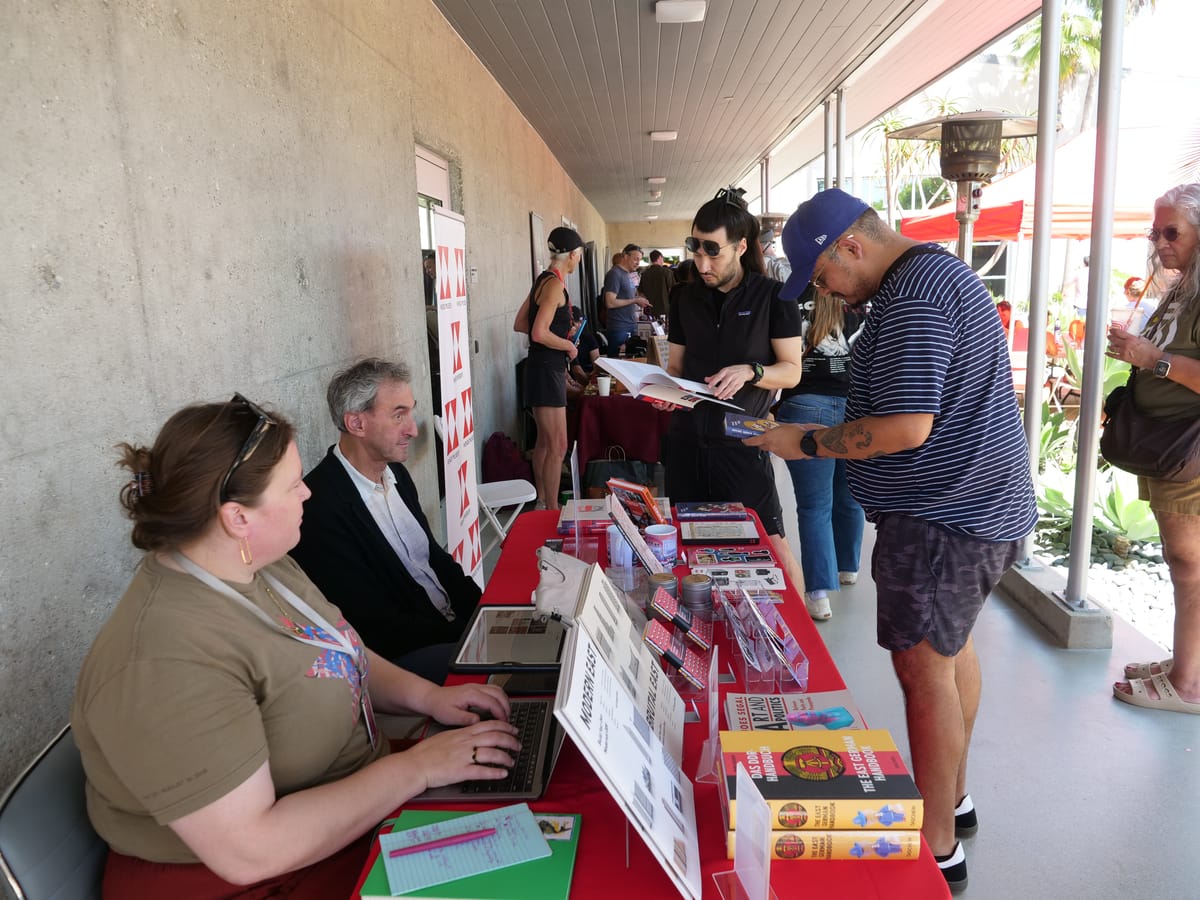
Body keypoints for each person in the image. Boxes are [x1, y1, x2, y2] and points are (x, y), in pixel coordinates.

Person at [71, 395, 520, 898]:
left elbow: (336, 649)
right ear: (237, 517)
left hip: (353, 813)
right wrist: (418, 767)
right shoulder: (165, 659)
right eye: (292, 484)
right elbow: (251, 850)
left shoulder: (260, 562)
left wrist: (427, 698)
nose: (308, 492)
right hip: (265, 877)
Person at [747, 188, 1037, 893]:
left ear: (850, 246)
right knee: (951, 648)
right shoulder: (934, 276)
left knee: (923, 669)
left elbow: (908, 427)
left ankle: (936, 846)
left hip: (944, 516)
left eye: (822, 277)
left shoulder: (911, 300)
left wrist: (805, 441)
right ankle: (955, 799)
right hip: (975, 509)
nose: (826, 292)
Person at [290, 359, 483, 684]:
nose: (413, 429)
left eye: (410, 411)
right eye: (398, 415)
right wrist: (467, 636)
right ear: (356, 423)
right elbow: (376, 624)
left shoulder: (397, 475)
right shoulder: (320, 506)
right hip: (397, 662)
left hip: (446, 630)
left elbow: (434, 559)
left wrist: (485, 612)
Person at [659, 185, 806, 594]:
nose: (702, 262)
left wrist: (751, 371)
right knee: (686, 546)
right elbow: (675, 368)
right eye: (695, 249)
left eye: (713, 251)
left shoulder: (775, 298)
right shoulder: (684, 297)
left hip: (743, 444)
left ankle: (800, 639)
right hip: (687, 444)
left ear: (741, 247)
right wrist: (662, 393)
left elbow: (791, 372)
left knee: (772, 544)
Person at [1108, 183, 1200, 717]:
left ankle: (1188, 683)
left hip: (1187, 443)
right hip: (1165, 441)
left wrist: (1152, 359)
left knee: (1188, 562)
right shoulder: (1182, 287)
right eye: (1156, 232)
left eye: (1173, 233)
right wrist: (1139, 353)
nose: (1161, 243)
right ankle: (1183, 664)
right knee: (1182, 560)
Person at [775, 287, 867, 620]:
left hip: (804, 405)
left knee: (815, 506)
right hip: (853, 406)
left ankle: (819, 595)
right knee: (850, 494)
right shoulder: (855, 301)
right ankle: (848, 567)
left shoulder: (788, 300)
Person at [518, 226, 585, 509]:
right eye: (579, 256)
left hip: (542, 369)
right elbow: (537, 333)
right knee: (558, 445)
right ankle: (552, 509)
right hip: (547, 371)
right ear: (572, 255)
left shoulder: (543, 281)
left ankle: (543, 501)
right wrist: (568, 346)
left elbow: (521, 323)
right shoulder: (555, 285)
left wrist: (559, 333)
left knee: (546, 444)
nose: (578, 261)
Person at [603, 246, 650, 356]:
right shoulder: (614, 274)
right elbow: (610, 302)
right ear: (625, 256)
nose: (638, 263)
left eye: (639, 260)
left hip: (630, 325)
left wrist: (638, 301)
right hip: (619, 327)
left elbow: (628, 298)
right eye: (635, 259)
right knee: (617, 364)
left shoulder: (627, 274)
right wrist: (634, 300)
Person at [638, 249, 676, 318]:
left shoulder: (644, 274)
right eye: (662, 259)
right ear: (659, 258)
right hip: (665, 310)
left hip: (649, 310)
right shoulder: (667, 272)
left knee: (649, 328)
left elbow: (641, 293)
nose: (663, 261)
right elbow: (673, 291)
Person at [569, 304, 600, 384]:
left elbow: (597, 365)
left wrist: (590, 378)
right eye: (576, 323)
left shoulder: (588, 337)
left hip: (588, 376)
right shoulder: (566, 341)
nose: (579, 325)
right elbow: (577, 371)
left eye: (581, 322)